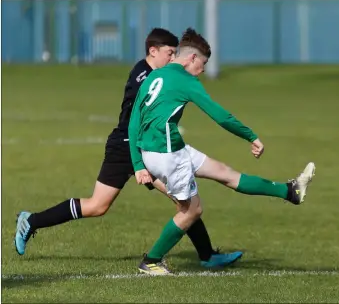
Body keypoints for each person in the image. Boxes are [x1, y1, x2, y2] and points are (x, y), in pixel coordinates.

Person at [14, 28, 241, 269]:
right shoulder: (144, 76)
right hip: (128, 147)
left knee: (178, 200)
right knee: (173, 202)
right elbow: (138, 122)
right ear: (153, 51)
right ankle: (32, 221)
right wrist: (139, 163)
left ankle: (207, 255)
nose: (173, 58)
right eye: (169, 53)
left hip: (141, 148)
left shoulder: (158, 75)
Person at [129, 28, 315, 275]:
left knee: (225, 173)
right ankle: (151, 261)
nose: (204, 70)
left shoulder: (154, 76)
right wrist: (250, 135)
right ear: (191, 58)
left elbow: (133, 121)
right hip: (167, 154)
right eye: (203, 63)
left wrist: (139, 163)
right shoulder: (186, 80)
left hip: (162, 149)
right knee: (191, 211)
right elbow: (220, 115)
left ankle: (290, 191)